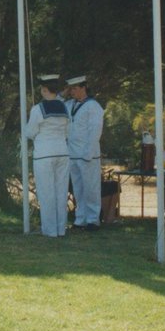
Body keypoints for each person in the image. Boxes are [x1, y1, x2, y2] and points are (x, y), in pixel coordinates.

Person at [25, 74, 70, 237]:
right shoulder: (65, 107)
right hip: (63, 152)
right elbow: (68, 131)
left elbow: (30, 132)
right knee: (61, 191)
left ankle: (50, 230)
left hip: (44, 154)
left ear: (44, 90)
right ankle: (60, 229)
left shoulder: (38, 109)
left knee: (47, 192)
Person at [65, 75, 104, 231]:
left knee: (91, 188)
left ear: (83, 88)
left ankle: (93, 219)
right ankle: (80, 218)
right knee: (78, 188)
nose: (72, 91)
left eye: (75, 88)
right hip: (72, 153)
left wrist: (88, 153)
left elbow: (95, 131)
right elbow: (56, 102)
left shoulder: (93, 106)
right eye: (70, 89)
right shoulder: (69, 104)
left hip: (88, 154)